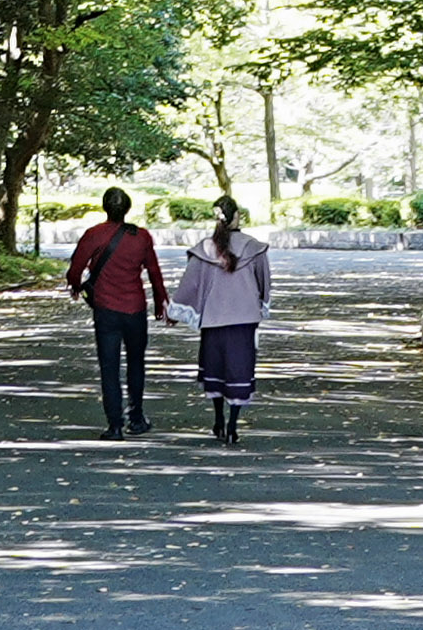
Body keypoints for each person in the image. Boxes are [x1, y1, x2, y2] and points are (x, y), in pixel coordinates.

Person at [167, 198, 276, 441]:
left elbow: (190, 285)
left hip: (213, 319)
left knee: (215, 369)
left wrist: (175, 311)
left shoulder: (204, 249)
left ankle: (218, 420)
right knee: (239, 370)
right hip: (244, 319)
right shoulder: (254, 248)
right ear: (237, 216)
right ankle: (233, 426)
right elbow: (263, 284)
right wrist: (260, 305)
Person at [63, 189, 165, 436]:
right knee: (136, 364)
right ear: (127, 208)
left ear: (104, 207)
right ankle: (137, 418)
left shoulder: (93, 235)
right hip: (135, 310)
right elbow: (153, 272)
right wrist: (161, 303)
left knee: (109, 367)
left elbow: (75, 269)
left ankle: (115, 425)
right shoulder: (141, 237)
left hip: (106, 309)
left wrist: (77, 287)